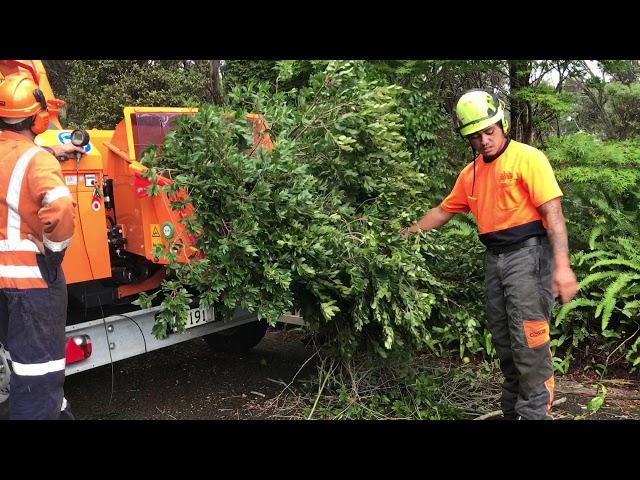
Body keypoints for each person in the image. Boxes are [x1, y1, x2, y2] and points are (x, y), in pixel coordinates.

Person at [402, 89, 578, 420]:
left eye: (489, 131)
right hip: (495, 259)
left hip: (529, 257)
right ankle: (515, 412)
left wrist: (563, 268)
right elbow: (442, 211)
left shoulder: (528, 158)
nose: (484, 140)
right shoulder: (470, 175)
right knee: (504, 342)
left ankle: (535, 409)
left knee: (528, 340)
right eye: (475, 136)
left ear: (502, 124)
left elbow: (553, 214)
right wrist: (405, 233)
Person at [0, 73, 83, 420]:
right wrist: (53, 249)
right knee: (37, 378)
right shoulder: (37, 161)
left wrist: (54, 151)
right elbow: (61, 209)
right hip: (31, 285)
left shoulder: (24, 155)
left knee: (16, 363)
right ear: (38, 119)